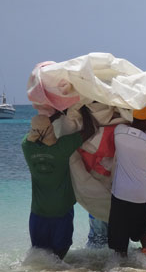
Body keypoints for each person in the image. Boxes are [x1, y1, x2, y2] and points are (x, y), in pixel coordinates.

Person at [21, 106, 96, 259]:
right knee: (60, 253)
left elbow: (36, 132)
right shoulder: (62, 147)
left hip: (38, 213)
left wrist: (54, 116)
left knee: (40, 256)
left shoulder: (27, 147)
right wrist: (82, 108)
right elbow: (90, 131)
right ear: (50, 129)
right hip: (62, 212)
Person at [107, 105, 146, 263]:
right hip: (142, 195)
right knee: (144, 228)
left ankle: (121, 263)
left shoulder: (119, 131)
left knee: (119, 234)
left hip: (120, 193)